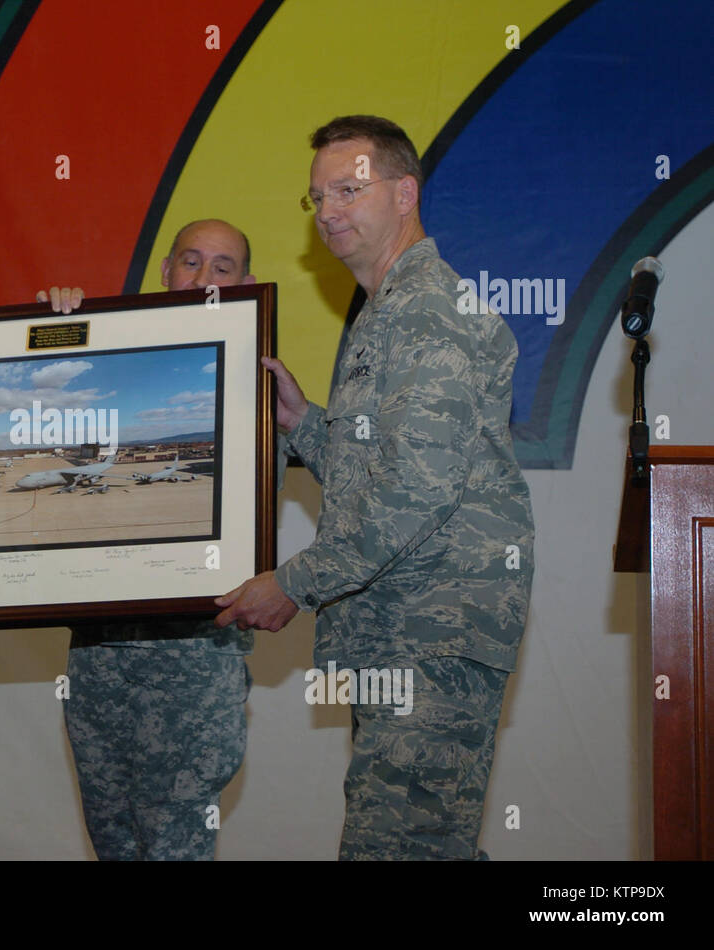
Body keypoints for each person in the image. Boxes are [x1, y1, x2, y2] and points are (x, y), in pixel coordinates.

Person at [215, 116, 535, 859]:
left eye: (348, 190)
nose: (328, 211)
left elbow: (412, 497)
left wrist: (294, 583)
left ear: (404, 193)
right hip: (394, 635)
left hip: (431, 634)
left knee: (397, 848)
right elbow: (383, 469)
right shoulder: (385, 315)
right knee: (423, 843)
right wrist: (302, 424)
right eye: (317, 196)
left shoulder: (429, 313)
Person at [40, 218, 258, 861]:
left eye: (223, 267)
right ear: (164, 271)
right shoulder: (108, 361)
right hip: (100, 657)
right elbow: (52, 400)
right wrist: (54, 336)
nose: (204, 278)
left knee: (176, 845)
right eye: (191, 261)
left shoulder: (259, 381)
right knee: (114, 841)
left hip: (196, 665)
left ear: (245, 283)